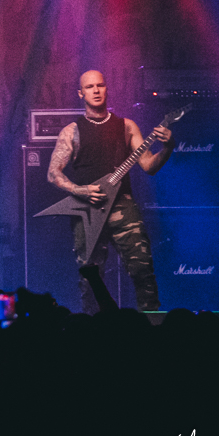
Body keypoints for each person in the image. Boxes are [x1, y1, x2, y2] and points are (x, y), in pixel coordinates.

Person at [46, 69, 173, 312]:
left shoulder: (126, 126)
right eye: (90, 87)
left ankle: (153, 329)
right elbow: (53, 173)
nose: (96, 90)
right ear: (80, 93)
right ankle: (94, 334)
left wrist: (168, 147)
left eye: (100, 85)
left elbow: (148, 166)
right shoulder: (71, 131)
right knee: (90, 278)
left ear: (107, 89)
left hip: (122, 206)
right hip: (87, 210)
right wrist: (80, 190)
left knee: (143, 268)